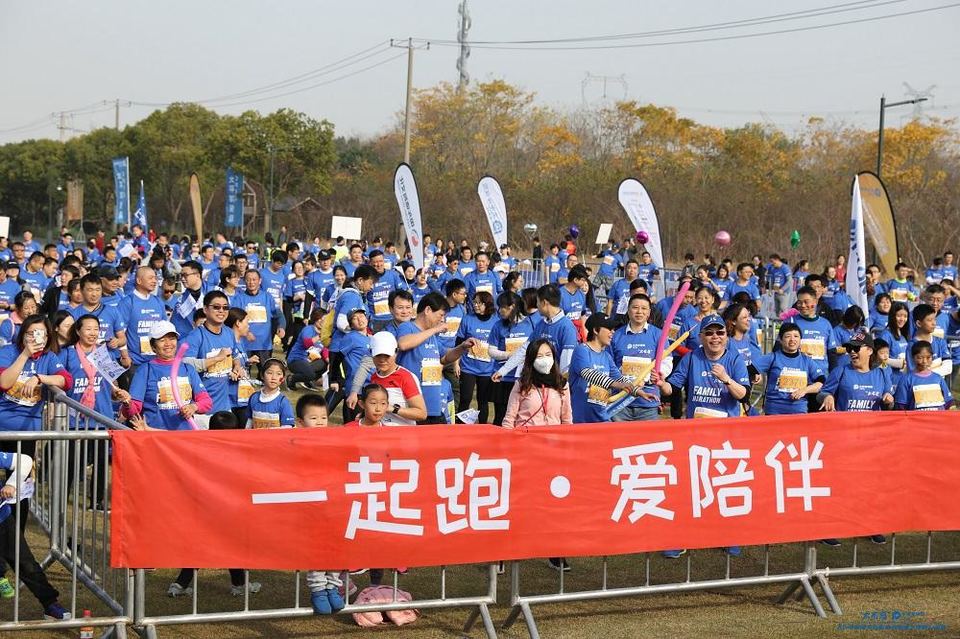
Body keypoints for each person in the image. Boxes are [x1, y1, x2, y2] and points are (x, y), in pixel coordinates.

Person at [0, 451, 72, 620]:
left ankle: (50, 604)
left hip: (2, 521)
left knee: (26, 563)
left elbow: (24, 461)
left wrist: (12, 484)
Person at [393, 293, 476, 424]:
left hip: (434, 407)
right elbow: (403, 344)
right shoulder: (407, 327)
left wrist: (462, 347)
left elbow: (445, 357)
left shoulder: (432, 337)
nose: (442, 320)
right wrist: (435, 330)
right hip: (413, 407)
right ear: (427, 310)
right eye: (441, 315)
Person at [656, 315, 751, 419]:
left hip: (725, 428)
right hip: (696, 427)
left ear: (727, 336)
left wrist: (726, 379)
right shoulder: (691, 358)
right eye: (709, 333)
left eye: (720, 333)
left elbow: (744, 396)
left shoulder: (736, 360)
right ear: (700, 337)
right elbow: (671, 389)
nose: (715, 337)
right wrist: (662, 384)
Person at [125, 321, 212, 430]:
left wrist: (193, 407)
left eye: (172, 338)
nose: (168, 344)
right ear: (153, 346)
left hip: (185, 436)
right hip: (156, 436)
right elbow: (133, 410)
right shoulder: (145, 370)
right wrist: (126, 402)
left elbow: (206, 402)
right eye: (162, 340)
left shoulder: (187, 368)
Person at [569, 314, 647, 423]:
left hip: (601, 418)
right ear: (596, 330)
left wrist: (638, 391)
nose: (613, 332)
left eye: (613, 329)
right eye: (609, 329)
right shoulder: (581, 350)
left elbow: (620, 379)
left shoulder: (606, 356)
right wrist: (617, 385)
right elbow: (588, 373)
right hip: (580, 420)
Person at [183, 291, 245, 418]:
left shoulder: (229, 332)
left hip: (225, 406)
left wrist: (237, 367)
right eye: (216, 307)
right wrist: (217, 358)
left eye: (225, 307)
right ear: (205, 309)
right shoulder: (195, 336)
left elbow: (235, 356)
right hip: (200, 409)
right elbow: (185, 366)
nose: (221, 311)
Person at [345, 332, 426, 425]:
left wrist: (392, 409)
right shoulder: (374, 377)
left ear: (396, 352)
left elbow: (421, 414)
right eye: (378, 355)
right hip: (381, 435)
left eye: (387, 356)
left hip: (403, 435)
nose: (382, 360)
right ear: (371, 353)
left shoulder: (406, 377)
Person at [609, 294, 667, 421]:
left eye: (644, 308)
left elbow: (666, 360)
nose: (639, 311)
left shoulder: (659, 335)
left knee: (647, 441)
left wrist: (658, 374)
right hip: (620, 403)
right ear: (628, 310)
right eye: (635, 307)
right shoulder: (615, 335)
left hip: (648, 403)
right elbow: (609, 365)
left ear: (649, 313)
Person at [754, 324, 826, 415]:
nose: (792, 339)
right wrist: (755, 374)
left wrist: (804, 390)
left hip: (799, 412)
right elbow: (749, 369)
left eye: (796, 336)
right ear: (780, 339)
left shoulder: (807, 361)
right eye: (788, 336)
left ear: (800, 340)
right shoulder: (772, 358)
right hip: (774, 412)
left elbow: (821, 382)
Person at [488, 292, 535, 425]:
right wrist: (509, 355)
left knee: (520, 415)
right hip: (502, 377)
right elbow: (491, 351)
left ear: (512, 307)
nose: (499, 310)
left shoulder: (530, 323)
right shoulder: (498, 325)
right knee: (501, 416)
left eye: (502, 307)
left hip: (521, 378)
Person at [456, 291, 498, 424]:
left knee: (483, 401)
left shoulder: (496, 321)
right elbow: (459, 343)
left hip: (487, 369)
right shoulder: (467, 319)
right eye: (474, 302)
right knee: (465, 399)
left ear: (488, 304)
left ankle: (483, 428)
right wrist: (456, 363)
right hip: (468, 368)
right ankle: (460, 428)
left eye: (480, 303)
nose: (476, 305)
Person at [234, 269, 285, 376]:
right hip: (244, 344)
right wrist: (247, 333)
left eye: (254, 279)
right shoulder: (238, 298)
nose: (251, 282)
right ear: (244, 281)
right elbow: (234, 320)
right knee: (243, 376)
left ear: (260, 281)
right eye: (248, 280)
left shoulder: (268, 297)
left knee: (265, 375)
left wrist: (281, 326)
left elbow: (278, 314)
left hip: (264, 344)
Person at [894, 341, 953, 410]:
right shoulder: (906, 379)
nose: (924, 361)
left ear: (932, 357)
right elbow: (901, 406)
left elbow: (948, 402)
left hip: (937, 419)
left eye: (928, 357)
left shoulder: (938, 378)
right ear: (913, 358)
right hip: (916, 420)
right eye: (920, 358)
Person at [286, 308, 329, 391]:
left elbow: (325, 350)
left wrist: (330, 363)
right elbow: (307, 344)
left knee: (326, 363)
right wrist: (320, 336)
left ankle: (307, 381)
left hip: (310, 361)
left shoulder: (325, 333)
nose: (322, 321)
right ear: (315, 318)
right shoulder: (308, 329)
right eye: (319, 319)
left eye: (324, 319)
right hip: (296, 360)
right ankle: (292, 378)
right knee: (310, 374)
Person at [247, 359, 295, 429]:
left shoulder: (283, 402)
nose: (274, 378)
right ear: (262, 375)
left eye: (278, 374)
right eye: (269, 373)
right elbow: (250, 421)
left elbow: (287, 427)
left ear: (283, 379)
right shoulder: (253, 398)